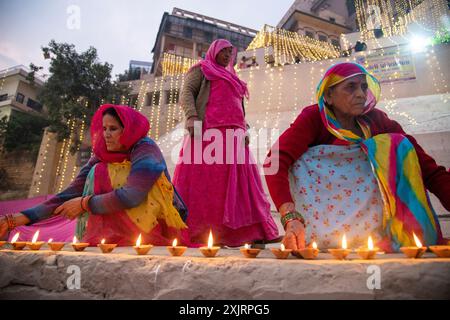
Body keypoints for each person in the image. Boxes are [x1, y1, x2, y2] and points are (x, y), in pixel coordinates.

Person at [264, 62, 449, 252]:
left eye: (364, 86)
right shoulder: (314, 118)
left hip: (375, 230)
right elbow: (275, 161)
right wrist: (290, 217)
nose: (361, 94)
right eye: (351, 87)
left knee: (399, 144)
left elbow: (428, 169)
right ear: (328, 96)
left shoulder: (377, 121)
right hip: (324, 220)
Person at [0, 105, 188, 246]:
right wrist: (17, 219)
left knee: (100, 172)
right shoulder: (102, 154)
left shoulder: (145, 149)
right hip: (118, 221)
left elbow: (132, 195)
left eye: (113, 129)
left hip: (157, 223)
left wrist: (84, 203)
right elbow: (69, 194)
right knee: (96, 171)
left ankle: (131, 235)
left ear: (128, 129)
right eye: (104, 128)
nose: (106, 134)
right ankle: (104, 235)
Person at [173, 39, 279, 247]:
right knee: (207, 186)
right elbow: (186, 93)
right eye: (224, 51)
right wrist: (192, 117)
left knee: (243, 187)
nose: (228, 55)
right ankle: (204, 234)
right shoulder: (201, 69)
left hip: (235, 137)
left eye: (231, 52)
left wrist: (244, 128)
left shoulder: (232, 77)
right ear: (214, 51)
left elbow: (238, 106)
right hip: (207, 134)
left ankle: (254, 233)